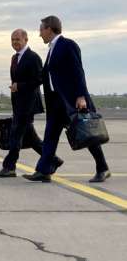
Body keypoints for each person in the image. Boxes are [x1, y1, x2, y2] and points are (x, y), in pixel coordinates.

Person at [23, 16, 111, 183]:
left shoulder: (67, 45)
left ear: (50, 29)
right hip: (56, 102)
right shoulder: (52, 49)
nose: (39, 33)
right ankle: (44, 170)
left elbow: (78, 71)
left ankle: (102, 168)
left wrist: (81, 96)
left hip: (71, 100)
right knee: (50, 135)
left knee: (86, 134)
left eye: (41, 29)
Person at [0, 29, 62, 177]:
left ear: (26, 40)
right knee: (32, 139)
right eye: (12, 40)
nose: (15, 42)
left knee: (15, 135)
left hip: (29, 104)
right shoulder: (14, 58)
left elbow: (39, 79)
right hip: (19, 104)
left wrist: (20, 86)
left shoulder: (33, 57)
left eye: (17, 39)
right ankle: (53, 159)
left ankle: (9, 167)